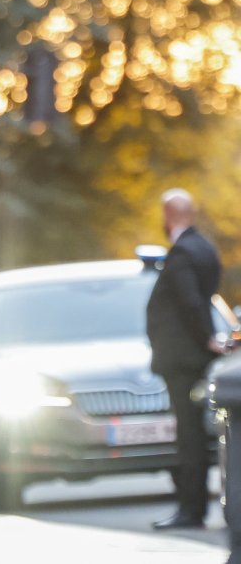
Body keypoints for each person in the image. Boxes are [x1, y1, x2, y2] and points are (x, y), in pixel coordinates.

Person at [146, 188, 222, 530]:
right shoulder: (204, 247)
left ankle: (191, 511)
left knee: (189, 437)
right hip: (192, 357)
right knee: (194, 433)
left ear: (168, 214)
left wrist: (206, 337)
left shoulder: (181, 253)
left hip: (182, 360)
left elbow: (191, 302)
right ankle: (193, 508)